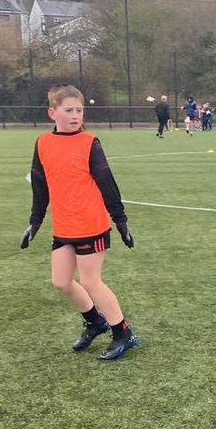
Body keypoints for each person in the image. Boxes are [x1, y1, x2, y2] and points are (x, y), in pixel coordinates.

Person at [21, 84, 140, 361]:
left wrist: (121, 222)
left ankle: (123, 333)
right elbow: (40, 187)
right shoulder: (43, 143)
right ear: (53, 113)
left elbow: (108, 185)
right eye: (69, 110)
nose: (75, 115)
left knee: (90, 281)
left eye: (79, 110)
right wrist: (34, 222)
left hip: (91, 225)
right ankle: (95, 322)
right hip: (63, 227)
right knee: (61, 282)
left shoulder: (90, 143)